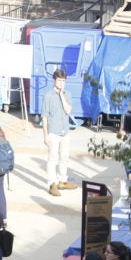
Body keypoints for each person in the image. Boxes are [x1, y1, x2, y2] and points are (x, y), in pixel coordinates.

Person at [43, 69, 78, 197]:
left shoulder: (67, 94)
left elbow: (68, 110)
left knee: (64, 157)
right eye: (59, 81)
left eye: (63, 81)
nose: (61, 83)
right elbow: (45, 117)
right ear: (54, 80)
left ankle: (62, 180)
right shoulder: (48, 95)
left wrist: (62, 95)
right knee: (53, 158)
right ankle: (52, 183)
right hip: (53, 132)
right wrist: (45, 135)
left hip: (65, 131)